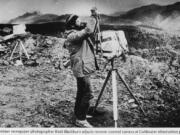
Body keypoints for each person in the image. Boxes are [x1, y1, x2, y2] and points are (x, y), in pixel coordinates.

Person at [64, 14, 97, 128]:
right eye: (77, 20)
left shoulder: (75, 34)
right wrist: (93, 17)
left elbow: (90, 31)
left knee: (81, 92)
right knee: (88, 93)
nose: (80, 21)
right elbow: (88, 30)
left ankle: (79, 114)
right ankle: (81, 119)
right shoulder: (72, 36)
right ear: (72, 24)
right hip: (81, 69)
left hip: (82, 68)